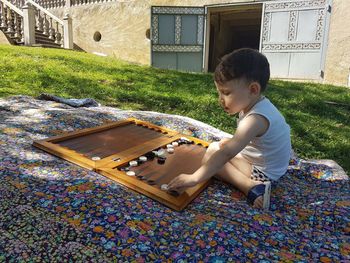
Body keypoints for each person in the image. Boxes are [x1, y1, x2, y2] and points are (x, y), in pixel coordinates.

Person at [168, 48, 291, 210]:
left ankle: (250, 186)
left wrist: (194, 178)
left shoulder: (255, 119)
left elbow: (227, 154)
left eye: (226, 93)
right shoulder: (257, 105)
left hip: (265, 173)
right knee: (224, 144)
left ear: (253, 89)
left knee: (212, 152)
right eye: (219, 93)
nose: (220, 100)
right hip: (273, 167)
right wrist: (232, 143)